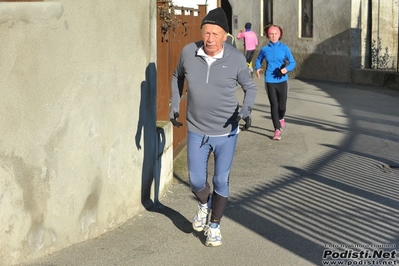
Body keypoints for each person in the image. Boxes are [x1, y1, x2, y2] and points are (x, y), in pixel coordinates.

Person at [169, 7, 257, 247]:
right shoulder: (189, 52)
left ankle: (215, 226)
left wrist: (246, 111)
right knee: (197, 180)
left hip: (226, 132)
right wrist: (175, 104)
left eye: (215, 34)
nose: (209, 39)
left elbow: (250, 87)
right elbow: (177, 77)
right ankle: (203, 205)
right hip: (197, 129)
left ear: (225, 36)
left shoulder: (236, 58)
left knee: (221, 180)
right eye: (206, 33)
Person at [255, 24, 296, 141]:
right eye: (271, 34)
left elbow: (293, 63)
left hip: (282, 80)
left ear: (280, 35)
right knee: (274, 105)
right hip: (269, 80)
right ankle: (277, 130)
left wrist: (286, 69)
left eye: (275, 34)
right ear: (268, 35)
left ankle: (281, 118)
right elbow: (258, 59)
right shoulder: (265, 49)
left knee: (282, 106)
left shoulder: (285, 48)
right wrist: (257, 68)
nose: (273, 36)